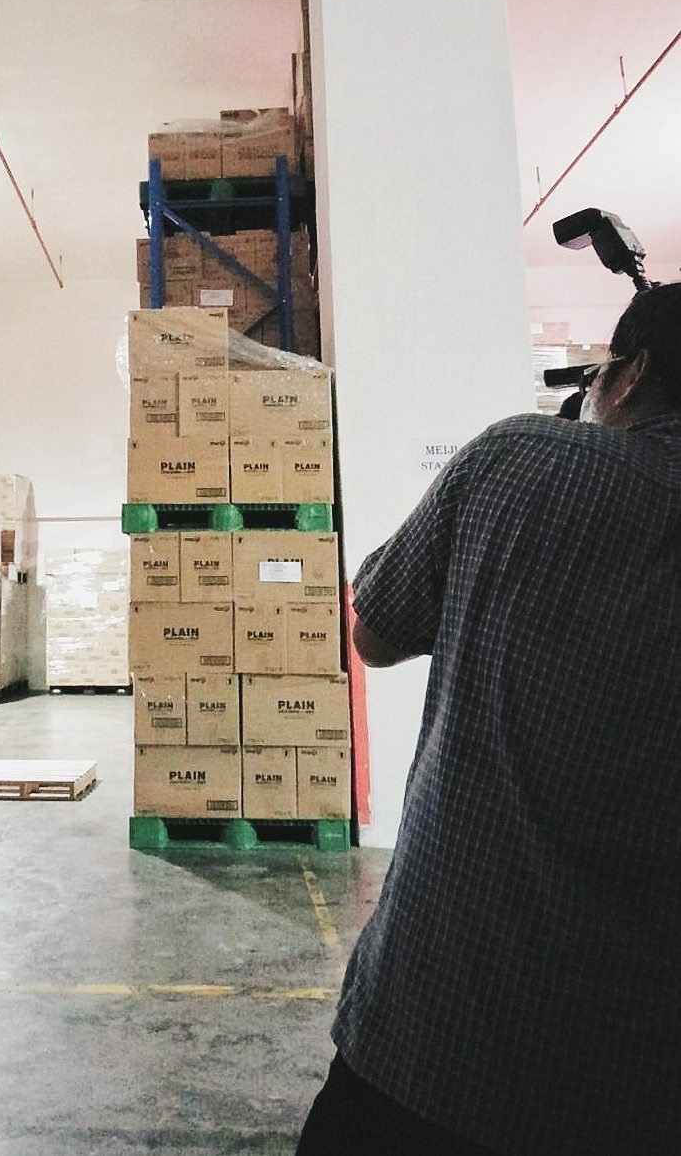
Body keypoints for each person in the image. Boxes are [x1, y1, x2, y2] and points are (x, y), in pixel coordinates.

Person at [297, 284, 681, 1156]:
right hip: (645, 1077)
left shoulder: (520, 460)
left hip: (440, 1029)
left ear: (630, 376)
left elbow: (375, 629)